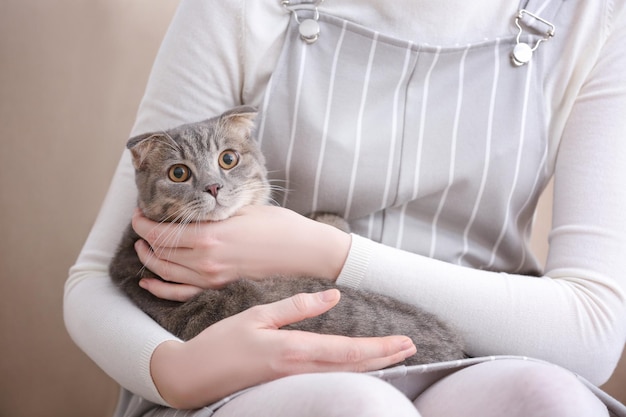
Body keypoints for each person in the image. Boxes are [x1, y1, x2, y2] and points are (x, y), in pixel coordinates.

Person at [64, 0, 626, 416]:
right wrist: (177, 371)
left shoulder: (595, 18)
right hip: (247, 367)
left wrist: (326, 251)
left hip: (484, 348)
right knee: (356, 408)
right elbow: (95, 279)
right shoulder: (236, 9)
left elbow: (593, 331)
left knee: (548, 399)